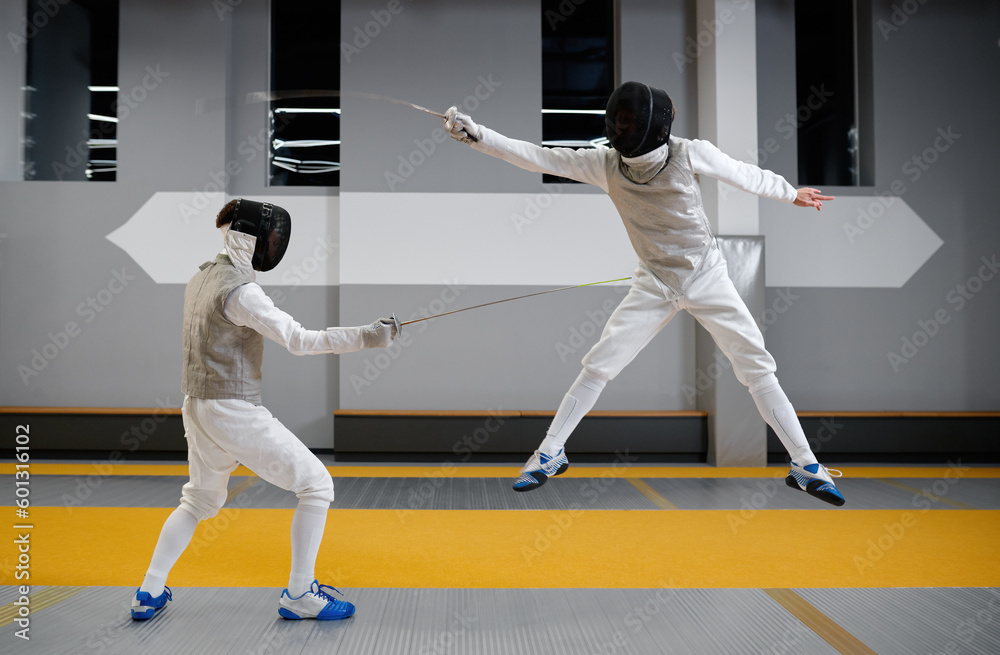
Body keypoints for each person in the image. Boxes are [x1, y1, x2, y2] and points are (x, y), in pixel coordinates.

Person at [444, 81, 845, 506]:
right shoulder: (619, 161)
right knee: (603, 364)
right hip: (655, 282)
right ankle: (550, 452)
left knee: (753, 366)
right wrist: (478, 136)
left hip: (706, 276)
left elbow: (535, 156)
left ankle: (805, 463)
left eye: (627, 121)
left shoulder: (664, 156)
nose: (623, 126)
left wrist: (477, 136)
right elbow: (536, 156)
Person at [131, 198, 400, 621]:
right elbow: (299, 340)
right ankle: (299, 593)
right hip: (231, 410)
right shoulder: (242, 291)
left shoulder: (201, 277)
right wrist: (366, 336)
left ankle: (148, 591)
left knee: (199, 501)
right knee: (317, 485)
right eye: (269, 237)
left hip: (196, 406)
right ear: (247, 237)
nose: (273, 245)